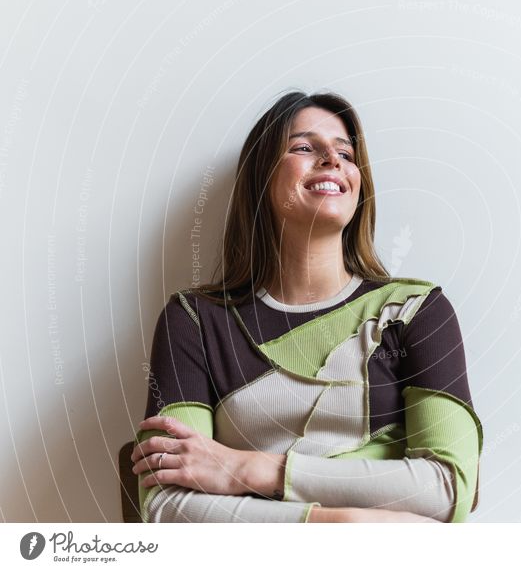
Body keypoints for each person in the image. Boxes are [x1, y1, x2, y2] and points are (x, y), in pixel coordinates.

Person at [131, 90, 483, 523]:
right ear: (261, 177)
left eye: (346, 153)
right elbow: (167, 506)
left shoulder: (415, 311)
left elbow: (448, 488)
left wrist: (252, 468)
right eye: (303, 147)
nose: (333, 160)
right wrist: (343, 525)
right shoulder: (194, 320)